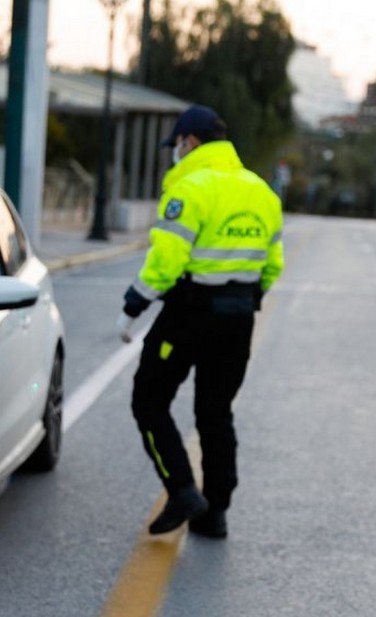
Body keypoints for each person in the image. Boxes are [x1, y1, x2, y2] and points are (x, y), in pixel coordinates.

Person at [115, 105, 284, 539]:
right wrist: (248, 297)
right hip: (238, 318)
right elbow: (273, 263)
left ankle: (184, 490)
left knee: (149, 400)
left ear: (189, 142)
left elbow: (166, 261)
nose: (175, 153)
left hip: (189, 314)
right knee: (215, 412)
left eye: (176, 146)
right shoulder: (262, 192)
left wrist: (136, 302)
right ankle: (216, 514)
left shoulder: (190, 189)